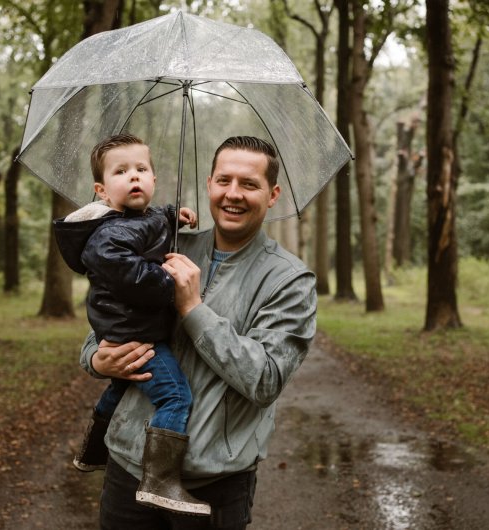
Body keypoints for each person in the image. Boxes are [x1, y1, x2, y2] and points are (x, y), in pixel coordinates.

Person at [80, 136, 318, 529]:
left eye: (249, 184)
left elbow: (265, 380)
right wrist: (95, 357)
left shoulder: (290, 281)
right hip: (128, 467)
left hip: (215, 484)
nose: (233, 194)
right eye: (224, 180)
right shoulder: (169, 246)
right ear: (209, 184)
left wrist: (193, 308)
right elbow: (109, 315)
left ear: (272, 194)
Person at [53, 133, 211, 516]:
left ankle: (93, 449)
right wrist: (168, 283)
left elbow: (155, 221)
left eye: (142, 169)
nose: (134, 177)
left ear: (154, 179)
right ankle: (159, 481)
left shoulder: (142, 218)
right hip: (135, 333)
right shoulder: (109, 233)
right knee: (175, 396)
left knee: (120, 388)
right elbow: (125, 268)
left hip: (129, 328)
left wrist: (176, 213)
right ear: (102, 191)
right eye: (121, 172)